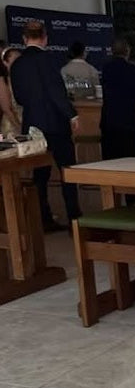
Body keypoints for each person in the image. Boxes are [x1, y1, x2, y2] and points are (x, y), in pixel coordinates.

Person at [10, 20, 81, 231]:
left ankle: (43, 218)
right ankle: (74, 219)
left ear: (24, 39)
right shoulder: (49, 60)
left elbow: (19, 98)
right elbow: (56, 92)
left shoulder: (18, 64)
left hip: (33, 125)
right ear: (45, 38)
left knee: (40, 176)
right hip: (55, 124)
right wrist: (72, 114)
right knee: (67, 171)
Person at [100, 38, 135, 168]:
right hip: (128, 121)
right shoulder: (133, 70)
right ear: (127, 51)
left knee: (110, 160)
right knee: (130, 161)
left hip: (109, 120)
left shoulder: (106, 69)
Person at [1, 47, 22, 137]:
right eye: (15, 61)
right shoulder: (4, 81)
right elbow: (7, 108)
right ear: (5, 63)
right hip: (11, 125)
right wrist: (19, 128)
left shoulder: (23, 80)